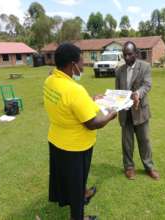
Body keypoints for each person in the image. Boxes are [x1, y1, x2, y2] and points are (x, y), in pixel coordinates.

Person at [43, 43, 117, 220]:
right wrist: (112, 114)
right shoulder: (74, 90)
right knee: (75, 184)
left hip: (57, 141)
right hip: (75, 148)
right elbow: (93, 123)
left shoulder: (50, 80)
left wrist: (91, 99)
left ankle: (83, 192)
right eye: (81, 60)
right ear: (72, 64)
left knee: (70, 180)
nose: (83, 64)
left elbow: (69, 105)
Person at [115, 41, 159, 180]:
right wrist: (113, 102)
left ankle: (149, 167)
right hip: (125, 112)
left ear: (136, 54)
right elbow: (117, 91)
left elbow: (147, 84)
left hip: (140, 111)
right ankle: (129, 167)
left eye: (129, 54)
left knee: (144, 141)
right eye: (124, 55)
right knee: (127, 143)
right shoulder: (119, 71)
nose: (126, 58)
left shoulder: (145, 66)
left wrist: (138, 94)